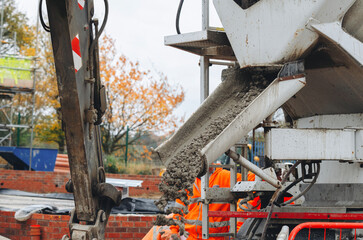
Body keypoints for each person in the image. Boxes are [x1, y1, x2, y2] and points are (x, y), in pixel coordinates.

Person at [143, 166, 260, 240]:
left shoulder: (225, 177)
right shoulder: (188, 182)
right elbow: (178, 211)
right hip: (189, 237)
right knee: (158, 230)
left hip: (214, 238)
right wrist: (174, 232)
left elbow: (257, 180)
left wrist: (239, 223)